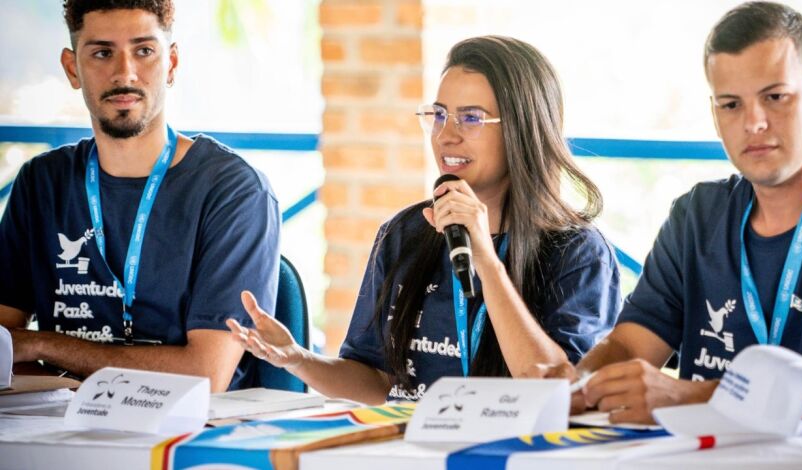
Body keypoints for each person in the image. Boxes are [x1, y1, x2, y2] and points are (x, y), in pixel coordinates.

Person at [541, 1, 802, 423]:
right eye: (731, 105)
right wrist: (579, 384)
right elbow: (628, 348)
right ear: (714, 115)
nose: (754, 122)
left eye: (775, 97)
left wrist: (683, 397)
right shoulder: (696, 215)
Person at [227, 36, 621, 404]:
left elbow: (561, 393)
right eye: (438, 115)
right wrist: (297, 359)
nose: (445, 135)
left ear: (522, 128)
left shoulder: (578, 251)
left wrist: (486, 260)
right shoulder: (405, 233)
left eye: (470, 119)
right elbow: (378, 381)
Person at [0, 0, 280, 392]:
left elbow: (206, 375)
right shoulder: (41, 182)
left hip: (189, 435)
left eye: (144, 51)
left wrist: (44, 345)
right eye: (102, 53)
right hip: (56, 425)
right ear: (71, 68)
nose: (124, 72)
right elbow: (3, 343)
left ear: (172, 64)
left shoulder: (232, 190)